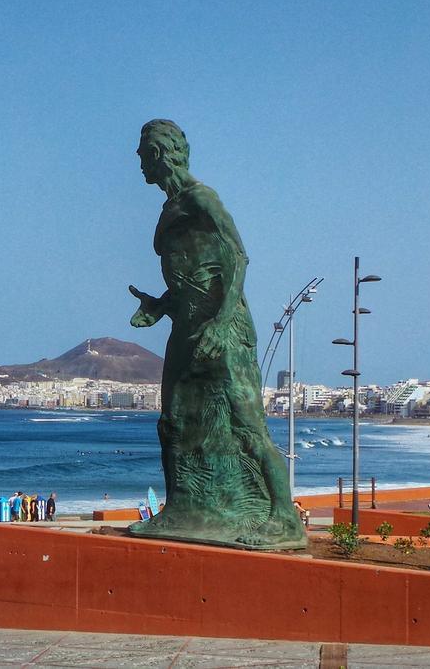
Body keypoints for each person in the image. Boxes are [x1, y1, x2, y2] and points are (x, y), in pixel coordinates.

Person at [125, 120, 303, 549]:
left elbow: (238, 258)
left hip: (223, 329)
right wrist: (162, 305)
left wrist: (222, 323)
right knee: (173, 423)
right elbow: (195, 271)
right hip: (186, 326)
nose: (138, 160)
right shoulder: (170, 206)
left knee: (247, 425)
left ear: (160, 154)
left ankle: (284, 519)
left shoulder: (201, 198)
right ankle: (180, 510)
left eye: (142, 151)